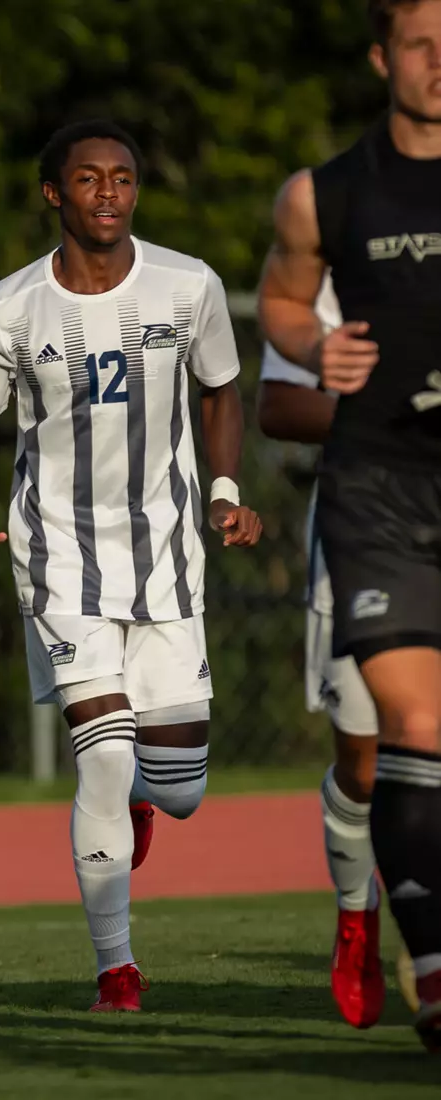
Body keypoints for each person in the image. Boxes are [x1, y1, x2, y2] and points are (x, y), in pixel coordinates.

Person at [0, 120, 262, 1012]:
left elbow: (221, 389)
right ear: (55, 194)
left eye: (123, 178)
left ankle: (149, 804)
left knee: (183, 787)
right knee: (105, 759)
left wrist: (226, 488)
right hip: (59, 557)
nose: (110, 193)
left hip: (166, 554)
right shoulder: (7, 309)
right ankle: (115, 967)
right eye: (89, 179)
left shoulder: (189, 283)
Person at [256, 0, 441, 1051]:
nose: (440, 64)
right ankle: (379, 924)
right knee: (382, 745)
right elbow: (280, 367)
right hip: (375, 496)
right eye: (421, 43)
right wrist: (334, 366)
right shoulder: (330, 198)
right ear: (382, 58)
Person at [255, 273, 407, 1028]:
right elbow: (278, 406)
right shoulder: (341, 251)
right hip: (367, 530)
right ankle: (357, 916)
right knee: (367, 762)